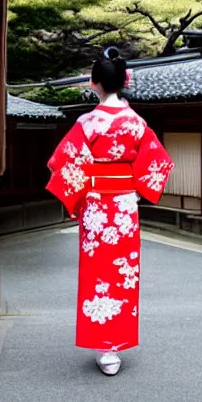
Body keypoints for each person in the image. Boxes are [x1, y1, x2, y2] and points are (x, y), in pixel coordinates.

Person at [46, 47, 175, 376]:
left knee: (96, 272)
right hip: (124, 208)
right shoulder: (137, 123)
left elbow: (64, 162)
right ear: (123, 81)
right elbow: (158, 163)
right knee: (123, 274)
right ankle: (114, 346)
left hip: (96, 207)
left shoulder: (87, 123)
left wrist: (80, 193)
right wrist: (135, 190)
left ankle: (103, 346)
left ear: (94, 83)